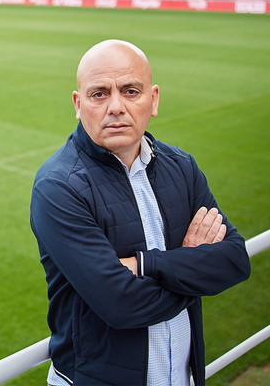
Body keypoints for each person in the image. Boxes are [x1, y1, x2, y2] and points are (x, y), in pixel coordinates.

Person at [30, 40, 251, 386]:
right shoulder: (58, 187)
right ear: (78, 104)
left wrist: (146, 265)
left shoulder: (182, 166)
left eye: (130, 91)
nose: (116, 107)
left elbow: (235, 260)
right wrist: (194, 267)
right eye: (99, 94)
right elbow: (121, 306)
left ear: (154, 99)